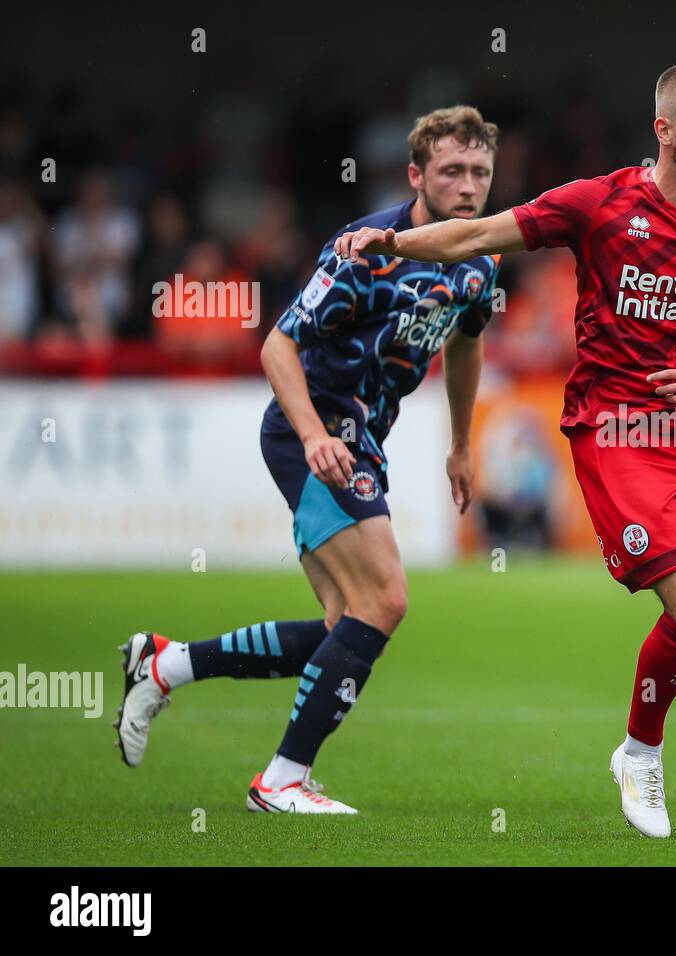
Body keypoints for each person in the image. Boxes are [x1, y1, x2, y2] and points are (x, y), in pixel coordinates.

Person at [337, 62, 676, 838]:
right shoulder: (601, 203)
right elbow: (480, 232)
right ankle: (640, 755)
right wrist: (395, 241)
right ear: (666, 131)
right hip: (615, 433)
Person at [114, 106, 503, 814]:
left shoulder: (480, 262)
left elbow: (467, 341)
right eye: (452, 170)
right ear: (417, 175)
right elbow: (276, 346)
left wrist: (461, 442)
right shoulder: (365, 250)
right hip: (315, 431)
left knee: (340, 628)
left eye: (480, 171)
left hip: (361, 438)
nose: (469, 185)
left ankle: (168, 663)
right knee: (384, 600)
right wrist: (315, 435)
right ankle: (282, 779)